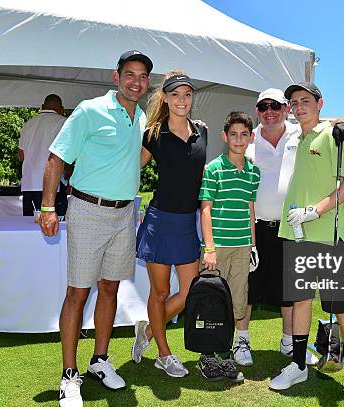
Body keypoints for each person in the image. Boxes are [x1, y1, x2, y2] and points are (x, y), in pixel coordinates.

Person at [37, 50, 153, 407]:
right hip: (88, 209)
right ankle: (69, 375)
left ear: (148, 83)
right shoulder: (89, 110)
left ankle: (100, 360)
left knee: (110, 289)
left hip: (124, 214)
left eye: (143, 76)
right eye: (129, 74)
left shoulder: (141, 116)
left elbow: (133, 156)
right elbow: (57, 158)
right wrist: (46, 207)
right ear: (116, 77)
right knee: (77, 294)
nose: (136, 81)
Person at [269, 83, 344, 407]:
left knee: (342, 309)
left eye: (305, 101)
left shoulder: (331, 135)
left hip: (331, 236)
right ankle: (298, 364)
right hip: (299, 235)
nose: (299, 107)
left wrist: (316, 210)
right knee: (300, 301)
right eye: (294, 103)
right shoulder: (299, 137)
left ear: (319, 103)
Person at [235, 88, 319, 368]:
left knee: (290, 290)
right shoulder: (248, 137)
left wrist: (338, 121)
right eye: (263, 107)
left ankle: (288, 342)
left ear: (286, 109)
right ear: (257, 110)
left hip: (291, 226)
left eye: (276, 106)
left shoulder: (301, 133)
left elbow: (326, 123)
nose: (269, 111)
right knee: (248, 287)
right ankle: (242, 341)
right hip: (254, 227)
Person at [131, 71, 207, 378]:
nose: (182, 101)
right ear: (166, 97)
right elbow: (131, 166)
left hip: (188, 222)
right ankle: (164, 353)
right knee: (159, 293)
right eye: (176, 95)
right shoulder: (153, 132)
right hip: (160, 221)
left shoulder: (202, 130)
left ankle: (148, 331)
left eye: (187, 95)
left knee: (190, 292)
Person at [197, 111, 260, 383]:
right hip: (217, 247)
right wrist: (209, 248)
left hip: (242, 246)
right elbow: (205, 210)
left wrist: (253, 246)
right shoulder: (213, 168)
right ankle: (206, 357)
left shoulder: (253, 172)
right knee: (211, 302)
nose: (238, 139)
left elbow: (250, 209)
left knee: (237, 301)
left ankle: (224, 354)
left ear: (251, 137)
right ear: (225, 137)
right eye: (233, 134)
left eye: (244, 134)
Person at [18, 94, 68, 216]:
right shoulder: (63, 122)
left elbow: (21, 156)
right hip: (53, 184)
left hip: (29, 184)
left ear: (42, 106)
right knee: (57, 225)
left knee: (29, 226)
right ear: (62, 109)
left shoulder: (28, 123)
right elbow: (68, 155)